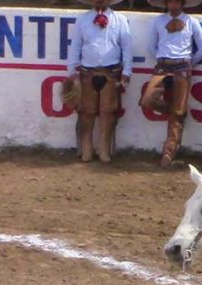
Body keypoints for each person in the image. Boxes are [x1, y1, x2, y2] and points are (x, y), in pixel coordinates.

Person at [66, 0, 134, 163]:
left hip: (110, 72)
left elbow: (127, 47)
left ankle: (104, 149)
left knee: (108, 112)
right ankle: (86, 149)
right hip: (87, 72)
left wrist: (127, 71)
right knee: (86, 112)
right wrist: (72, 71)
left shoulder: (120, 19)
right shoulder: (82, 19)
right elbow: (75, 45)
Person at [143, 0, 202, 167]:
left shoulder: (191, 22)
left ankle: (169, 151)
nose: (173, 3)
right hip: (163, 66)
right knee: (148, 99)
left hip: (182, 66)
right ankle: (176, 113)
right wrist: (161, 57)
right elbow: (151, 46)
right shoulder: (158, 21)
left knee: (177, 112)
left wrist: (188, 63)